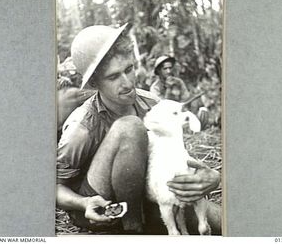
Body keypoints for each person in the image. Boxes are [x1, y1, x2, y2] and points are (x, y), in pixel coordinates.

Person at [56, 23, 221, 234]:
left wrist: (211, 177)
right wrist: (83, 203)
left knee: (222, 221)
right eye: (114, 77)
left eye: (129, 69)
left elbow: (175, 155)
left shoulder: (152, 103)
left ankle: (144, 221)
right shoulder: (81, 127)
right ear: (95, 83)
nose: (127, 83)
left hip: (149, 195)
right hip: (100, 206)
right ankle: (133, 229)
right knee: (131, 128)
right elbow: (55, 186)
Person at [151, 55, 209, 129]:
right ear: (159, 71)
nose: (168, 71)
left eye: (170, 68)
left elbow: (186, 98)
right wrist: (169, 88)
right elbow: (162, 107)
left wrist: (185, 106)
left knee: (202, 110)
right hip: (165, 118)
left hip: (180, 113)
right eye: (165, 69)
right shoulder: (155, 87)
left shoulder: (179, 82)